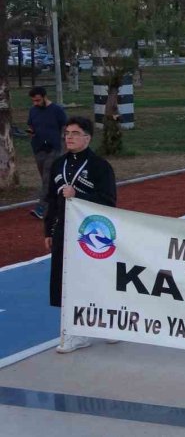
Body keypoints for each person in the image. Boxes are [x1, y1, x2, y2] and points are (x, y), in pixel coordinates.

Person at [44, 116, 116, 353]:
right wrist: (48, 230)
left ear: (87, 137)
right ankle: (75, 332)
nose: (70, 138)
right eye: (67, 133)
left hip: (91, 235)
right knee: (64, 281)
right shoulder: (58, 164)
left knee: (92, 280)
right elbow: (51, 200)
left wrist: (78, 195)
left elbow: (109, 202)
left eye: (75, 133)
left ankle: (107, 324)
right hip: (64, 231)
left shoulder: (100, 167)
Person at [27, 86, 67, 220]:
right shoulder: (33, 111)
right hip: (39, 149)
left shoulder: (57, 110)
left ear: (44, 97)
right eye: (33, 101)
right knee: (49, 181)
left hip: (54, 148)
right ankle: (59, 204)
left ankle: (41, 208)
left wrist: (63, 141)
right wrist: (31, 133)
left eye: (38, 100)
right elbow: (31, 126)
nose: (35, 103)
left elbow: (65, 127)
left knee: (47, 179)